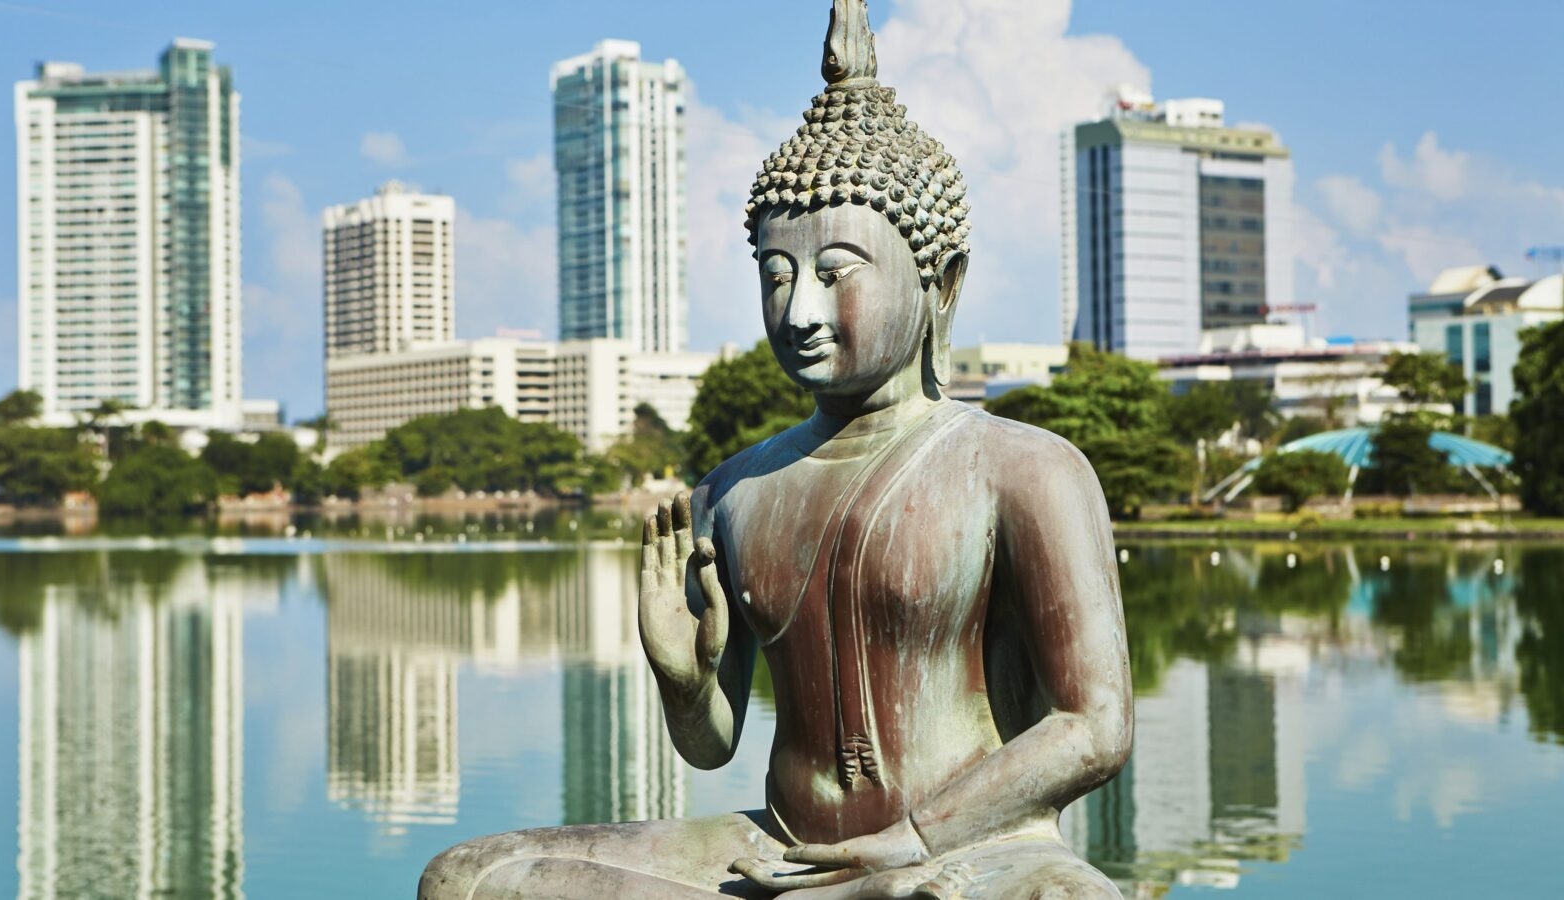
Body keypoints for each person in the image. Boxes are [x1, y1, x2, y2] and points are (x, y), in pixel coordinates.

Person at [420, 2, 1132, 897]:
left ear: (941, 284)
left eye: (835, 273)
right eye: (776, 275)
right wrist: (685, 684)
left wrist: (913, 838)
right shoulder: (733, 491)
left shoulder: (1024, 469)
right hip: (779, 848)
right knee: (468, 878)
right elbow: (711, 748)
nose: (799, 311)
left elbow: (1095, 724)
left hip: (970, 851)